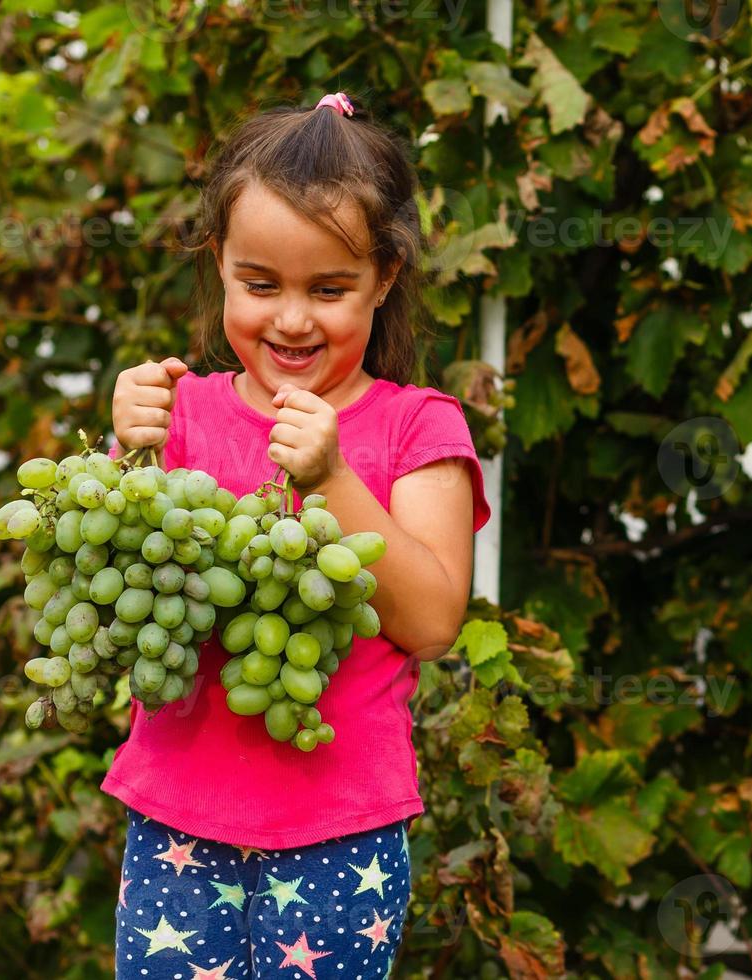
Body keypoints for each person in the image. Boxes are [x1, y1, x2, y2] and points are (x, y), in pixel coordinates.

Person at [103, 91, 490, 980]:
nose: (290, 319)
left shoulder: (417, 429)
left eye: (329, 289)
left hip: (341, 832)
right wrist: (127, 454)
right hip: (175, 823)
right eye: (260, 284)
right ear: (219, 267)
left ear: (386, 277)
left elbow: (431, 621)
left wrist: (333, 480)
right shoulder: (184, 411)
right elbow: (125, 592)